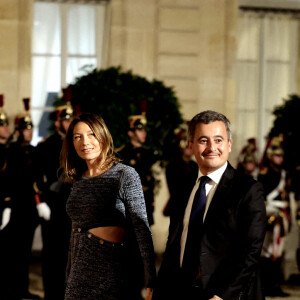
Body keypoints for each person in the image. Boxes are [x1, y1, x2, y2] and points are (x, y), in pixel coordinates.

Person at [154, 110, 267, 300]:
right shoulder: (184, 186)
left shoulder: (248, 190)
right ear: (191, 145)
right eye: (203, 140)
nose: (211, 147)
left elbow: (250, 252)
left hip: (227, 295)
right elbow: (174, 244)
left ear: (229, 145)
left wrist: (222, 295)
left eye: (218, 140)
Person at [60, 112, 156, 300]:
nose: (84, 142)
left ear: (103, 136)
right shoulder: (77, 180)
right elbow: (75, 231)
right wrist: (69, 274)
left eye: (91, 134)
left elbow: (142, 231)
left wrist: (150, 279)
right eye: (77, 137)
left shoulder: (124, 174)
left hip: (112, 274)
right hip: (78, 277)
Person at [35, 89, 73, 300]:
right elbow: (35, 177)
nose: (68, 124)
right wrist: (40, 202)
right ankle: (52, 294)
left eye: (71, 119)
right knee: (51, 254)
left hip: (71, 206)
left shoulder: (77, 146)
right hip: (51, 205)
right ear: (58, 122)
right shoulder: (46, 146)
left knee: (70, 253)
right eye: (65, 120)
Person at [1, 98, 41, 299]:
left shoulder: (34, 151)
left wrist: (40, 203)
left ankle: (22, 288)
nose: (29, 131)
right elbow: (10, 180)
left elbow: (37, 180)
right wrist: (8, 204)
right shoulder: (12, 151)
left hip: (30, 210)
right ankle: (11, 290)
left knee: (24, 252)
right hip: (15, 207)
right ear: (19, 130)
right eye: (26, 128)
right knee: (12, 252)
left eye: (31, 127)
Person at [258, 135, 291, 297]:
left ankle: (275, 286)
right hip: (269, 214)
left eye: (281, 156)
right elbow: (260, 196)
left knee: (278, 251)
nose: (280, 158)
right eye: (277, 155)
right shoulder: (265, 173)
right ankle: (265, 286)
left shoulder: (283, 174)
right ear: (271, 156)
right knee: (266, 252)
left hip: (281, 215)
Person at [117, 114, 157, 226]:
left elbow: (150, 180)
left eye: (144, 129)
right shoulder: (121, 155)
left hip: (146, 204)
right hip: (128, 207)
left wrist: (151, 202)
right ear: (130, 133)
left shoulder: (149, 154)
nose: (144, 132)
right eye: (139, 130)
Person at [163, 124, 198, 233]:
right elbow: (174, 189)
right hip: (178, 207)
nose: (188, 148)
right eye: (185, 144)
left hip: (192, 208)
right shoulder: (172, 166)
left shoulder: (195, 166)